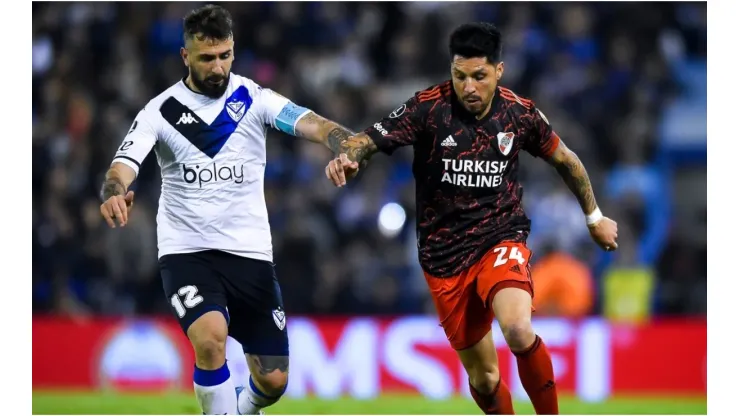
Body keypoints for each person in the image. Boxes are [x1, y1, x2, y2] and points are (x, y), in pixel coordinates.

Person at [325, 22, 618, 415]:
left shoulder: (519, 113)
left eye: (479, 76)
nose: (468, 87)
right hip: (444, 257)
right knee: (486, 379)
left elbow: (566, 159)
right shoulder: (427, 108)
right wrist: (349, 157)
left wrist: (594, 216)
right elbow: (367, 139)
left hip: (501, 238)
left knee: (517, 329)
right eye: (459, 76)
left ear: (499, 70)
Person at [98, 5, 357, 415]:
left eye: (225, 55)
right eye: (207, 58)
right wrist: (114, 192)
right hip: (187, 251)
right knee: (210, 338)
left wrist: (346, 145)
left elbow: (317, 126)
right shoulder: (160, 111)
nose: (218, 67)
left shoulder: (254, 99)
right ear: (186, 57)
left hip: (249, 253)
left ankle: (243, 407)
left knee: (273, 380)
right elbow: (122, 166)